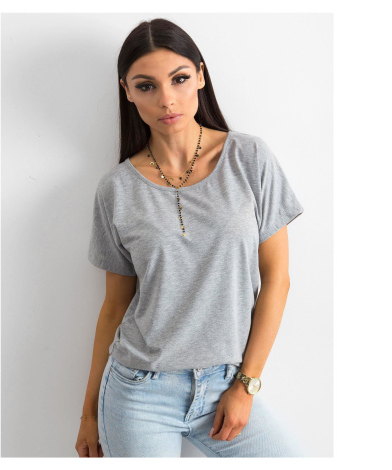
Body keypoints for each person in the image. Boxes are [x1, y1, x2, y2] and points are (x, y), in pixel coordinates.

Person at [75, 18, 306, 458]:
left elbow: (278, 279)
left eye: (179, 78)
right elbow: (114, 307)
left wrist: (246, 384)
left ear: (200, 75)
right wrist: (88, 413)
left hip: (227, 381)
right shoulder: (116, 189)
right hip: (139, 391)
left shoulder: (250, 159)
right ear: (127, 91)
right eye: (146, 86)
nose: (166, 99)